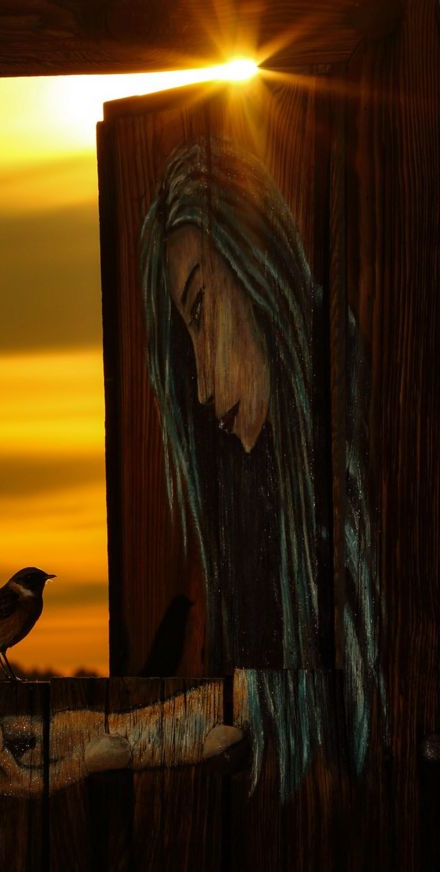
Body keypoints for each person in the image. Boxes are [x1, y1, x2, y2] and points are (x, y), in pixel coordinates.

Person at [140, 138, 385, 797]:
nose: (200, 386)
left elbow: (340, 708)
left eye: (200, 310)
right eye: (187, 336)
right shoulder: (257, 485)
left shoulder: (359, 424)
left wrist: (112, 739)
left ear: (255, 268)